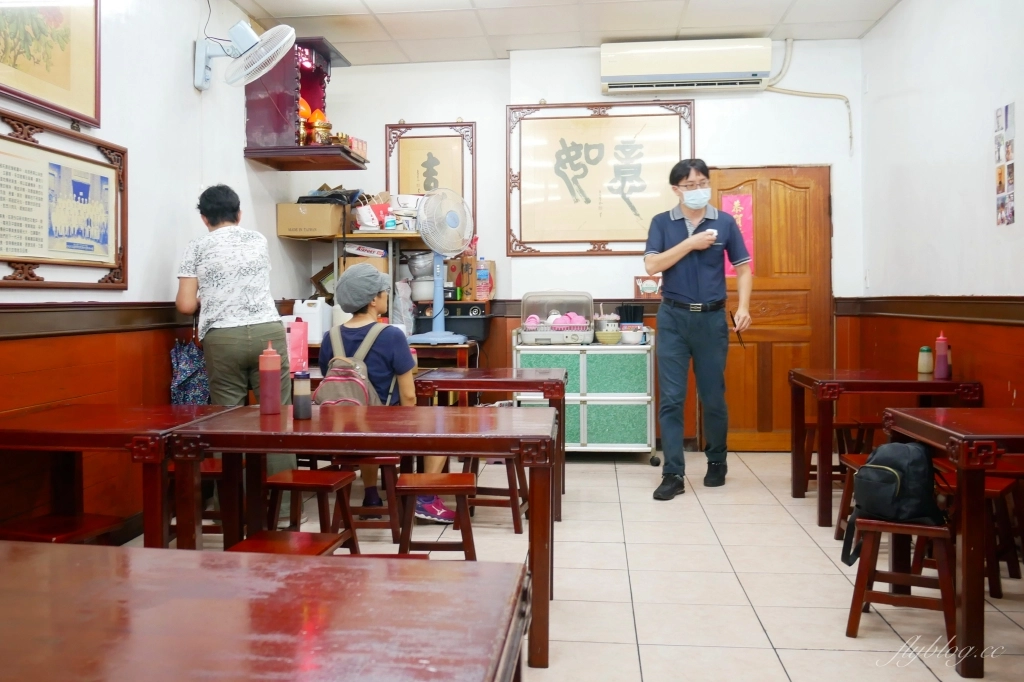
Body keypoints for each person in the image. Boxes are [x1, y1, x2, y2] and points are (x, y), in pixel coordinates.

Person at [644, 159, 752, 500]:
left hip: (711, 319)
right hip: (673, 318)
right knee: (672, 399)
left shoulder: (725, 222)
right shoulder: (662, 223)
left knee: (712, 397)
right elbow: (652, 265)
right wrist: (691, 243)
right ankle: (673, 473)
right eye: (689, 185)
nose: (697, 190)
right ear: (676, 189)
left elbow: (744, 267)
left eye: (702, 183)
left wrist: (744, 306)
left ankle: (717, 460)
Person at [319, 263, 456, 524]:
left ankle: (371, 493)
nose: (386, 295)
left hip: (342, 430)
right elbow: (409, 397)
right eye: (383, 291)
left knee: (364, 416)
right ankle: (424, 498)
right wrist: (412, 429)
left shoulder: (330, 337)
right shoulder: (391, 335)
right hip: (384, 431)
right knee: (442, 424)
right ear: (373, 300)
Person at [175, 184, 295, 482]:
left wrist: (211, 297)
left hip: (223, 338)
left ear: (204, 218)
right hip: (268, 333)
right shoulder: (257, 240)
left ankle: (230, 506)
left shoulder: (197, 246)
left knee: (228, 420)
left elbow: (186, 305)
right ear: (239, 214)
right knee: (276, 416)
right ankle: (283, 508)